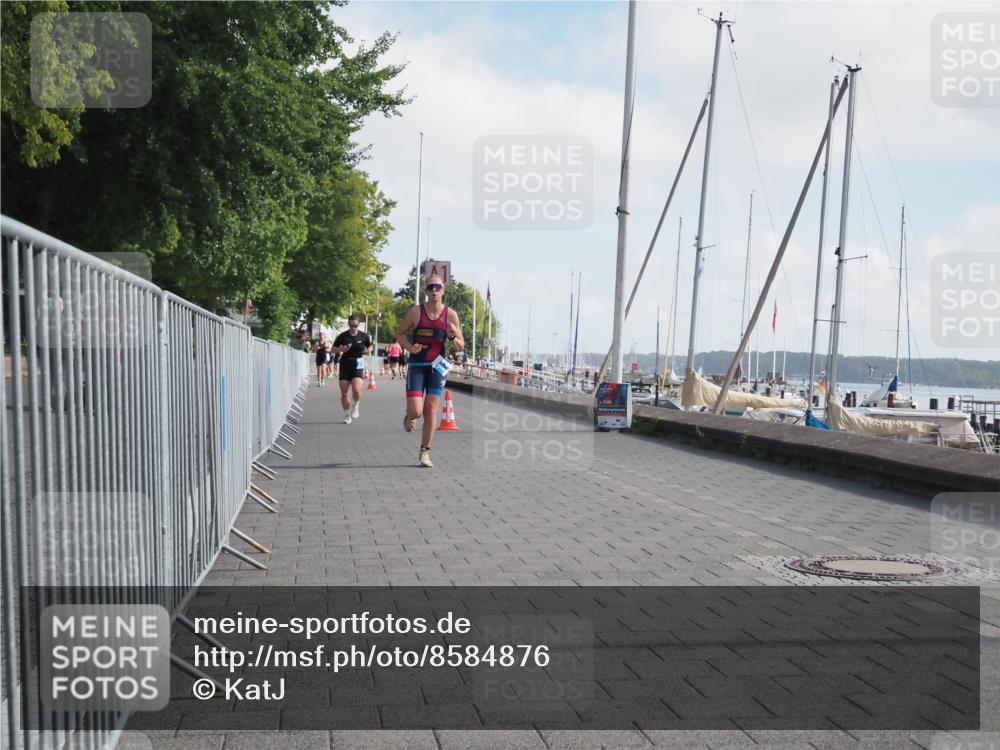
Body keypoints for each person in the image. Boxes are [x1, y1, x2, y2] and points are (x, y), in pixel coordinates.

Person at [395, 274, 464, 467]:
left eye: (438, 287)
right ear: (426, 291)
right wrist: (409, 347)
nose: (434, 291)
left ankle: (424, 452)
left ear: (443, 291)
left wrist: (452, 337)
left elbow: (460, 346)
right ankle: (410, 416)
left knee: (431, 409)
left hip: (438, 366)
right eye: (430, 287)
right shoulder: (416, 312)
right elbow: (399, 334)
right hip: (417, 365)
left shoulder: (451, 315)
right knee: (417, 411)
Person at [332, 315, 372, 424]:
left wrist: (367, 351)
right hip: (345, 364)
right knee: (344, 393)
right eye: (351, 325)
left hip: (358, 364)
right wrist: (341, 349)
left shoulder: (363, 336)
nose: (353, 327)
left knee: (357, 390)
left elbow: (370, 346)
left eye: (355, 325)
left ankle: (356, 404)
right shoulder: (343, 336)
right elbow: (332, 349)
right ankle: (347, 415)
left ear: (358, 325)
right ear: (348, 325)